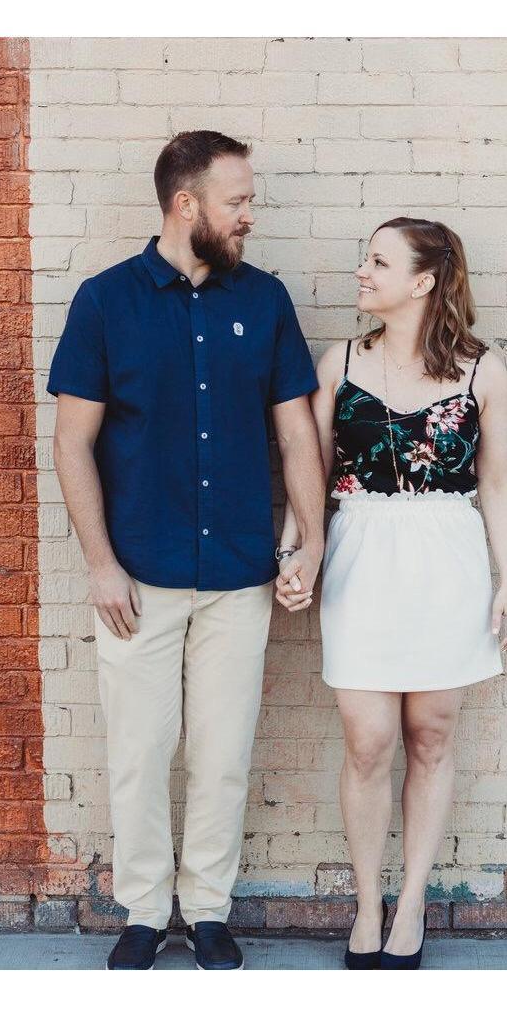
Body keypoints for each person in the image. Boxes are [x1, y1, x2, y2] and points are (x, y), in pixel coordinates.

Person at [48, 130, 325, 970]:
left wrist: (310, 540)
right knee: (138, 750)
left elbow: (298, 438)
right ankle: (142, 909)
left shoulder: (266, 300)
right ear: (186, 204)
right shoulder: (104, 302)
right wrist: (99, 563)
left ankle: (206, 909)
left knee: (223, 751)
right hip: (137, 576)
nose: (249, 216)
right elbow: (71, 444)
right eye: (237, 201)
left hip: (240, 575)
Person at [274, 217, 507, 969]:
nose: (362, 272)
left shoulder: (484, 371)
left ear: (424, 280)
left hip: (446, 560)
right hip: (362, 559)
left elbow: (498, 485)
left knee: (431, 736)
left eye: (378, 262)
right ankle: (367, 902)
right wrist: (296, 553)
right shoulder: (337, 361)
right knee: (369, 740)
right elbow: (307, 473)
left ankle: (410, 903)